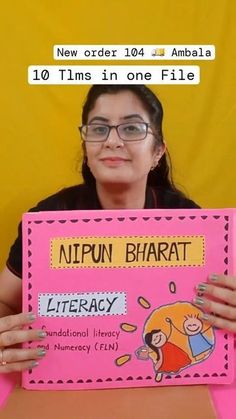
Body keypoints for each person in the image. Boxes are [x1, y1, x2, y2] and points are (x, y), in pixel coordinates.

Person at [0, 84, 235, 374]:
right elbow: (4, 301)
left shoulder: (189, 221)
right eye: (99, 129)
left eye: (132, 128)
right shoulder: (49, 219)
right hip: (65, 387)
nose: (112, 141)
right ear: (86, 147)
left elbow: (214, 308)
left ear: (157, 151)